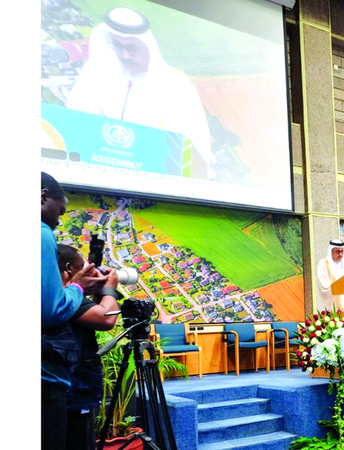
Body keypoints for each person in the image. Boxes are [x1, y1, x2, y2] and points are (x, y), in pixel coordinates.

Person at [66, 7, 215, 179]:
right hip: (98, 174)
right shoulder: (98, 70)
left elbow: (193, 145)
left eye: (132, 48)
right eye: (118, 46)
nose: (125, 55)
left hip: (154, 180)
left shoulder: (175, 83)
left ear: (148, 46)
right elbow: (76, 120)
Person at [41, 172, 107, 450]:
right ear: (42, 197)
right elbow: (105, 319)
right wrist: (102, 288)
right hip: (50, 382)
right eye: (60, 211)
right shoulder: (40, 233)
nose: (59, 221)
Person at [58, 245, 121, 450]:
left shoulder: (53, 297)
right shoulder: (66, 298)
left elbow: (93, 314)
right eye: (83, 265)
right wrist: (110, 288)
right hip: (74, 392)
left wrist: (96, 293)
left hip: (66, 392)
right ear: (69, 269)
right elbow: (106, 318)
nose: (89, 271)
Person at [316, 239, 344, 311]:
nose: (340, 254)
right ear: (331, 251)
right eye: (337, 251)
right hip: (332, 310)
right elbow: (324, 286)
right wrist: (339, 286)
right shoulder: (323, 264)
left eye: (342, 251)